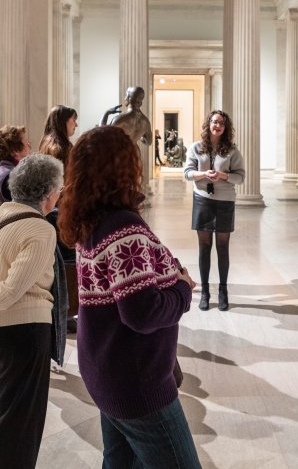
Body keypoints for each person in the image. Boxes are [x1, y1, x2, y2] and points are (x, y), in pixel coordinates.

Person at [57, 126, 202, 469]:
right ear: (122, 167)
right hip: (137, 382)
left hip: (107, 370)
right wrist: (182, 289)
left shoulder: (92, 220)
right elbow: (142, 313)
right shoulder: (123, 229)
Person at [0, 154, 65, 469]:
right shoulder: (40, 230)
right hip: (25, 334)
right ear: (49, 194)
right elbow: (12, 289)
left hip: (8, 333)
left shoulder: (2, 219)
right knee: (22, 426)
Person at [184, 110, 245, 311]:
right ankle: (205, 292)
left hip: (225, 201)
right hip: (202, 200)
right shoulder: (196, 147)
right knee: (204, 246)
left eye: (221, 123)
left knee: (222, 247)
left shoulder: (232, 150)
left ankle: (223, 290)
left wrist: (223, 176)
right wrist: (203, 174)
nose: (217, 125)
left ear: (225, 128)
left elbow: (240, 177)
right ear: (208, 124)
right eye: (214, 121)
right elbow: (187, 173)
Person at [38, 105, 79, 332]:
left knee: (59, 263)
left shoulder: (47, 142)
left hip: (53, 209)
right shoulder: (62, 148)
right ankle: (66, 312)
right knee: (67, 264)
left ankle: (63, 312)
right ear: (64, 122)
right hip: (62, 211)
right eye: (73, 120)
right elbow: (66, 184)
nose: (75, 125)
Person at [0, 125, 32, 205]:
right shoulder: (12, 176)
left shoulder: (4, 170)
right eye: (27, 143)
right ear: (15, 151)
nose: (30, 147)